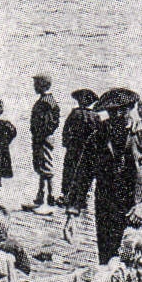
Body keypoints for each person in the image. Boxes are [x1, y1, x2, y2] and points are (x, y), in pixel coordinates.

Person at [84, 88, 142, 265]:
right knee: (108, 262)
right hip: (107, 210)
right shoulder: (97, 137)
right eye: (111, 111)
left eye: (122, 110)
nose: (116, 115)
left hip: (138, 210)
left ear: (131, 108)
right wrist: (73, 212)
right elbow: (83, 174)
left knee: (137, 261)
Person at [59, 89, 100, 218]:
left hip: (74, 148)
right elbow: (99, 134)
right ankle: (82, 198)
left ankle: (66, 195)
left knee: (70, 170)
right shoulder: (96, 116)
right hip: (88, 149)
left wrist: (66, 143)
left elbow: (66, 130)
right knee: (85, 173)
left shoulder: (75, 113)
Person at [26, 74, 61, 214]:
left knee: (46, 166)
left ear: (42, 85)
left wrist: (41, 134)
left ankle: (50, 200)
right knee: (41, 167)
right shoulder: (45, 100)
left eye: (36, 84)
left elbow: (51, 123)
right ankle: (40, 198)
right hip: (40, 138)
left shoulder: (47, 102)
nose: (34, 87)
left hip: (44, 138)